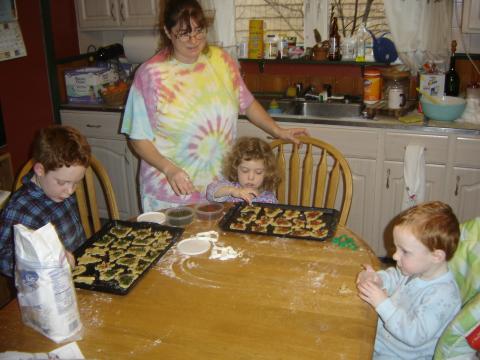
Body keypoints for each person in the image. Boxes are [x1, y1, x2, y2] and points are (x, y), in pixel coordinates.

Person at [121, 0, 307, 212]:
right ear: (167, 31)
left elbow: (246, 103)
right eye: (184, 33)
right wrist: (170, 169)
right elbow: (137, 137)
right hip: (170, 192)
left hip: (221, 190)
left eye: (199, 31)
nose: (194, 40)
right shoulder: (150, 74)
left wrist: (278, 130)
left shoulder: (221, 60)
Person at [356, 201, 462, 359]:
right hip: (380, 341)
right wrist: (378, 279)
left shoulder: (444, 295)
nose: (395, 256)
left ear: (436, 256)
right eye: (397, 248)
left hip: (400, 356)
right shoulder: (417, 268)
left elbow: (415, 334)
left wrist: (382, 303)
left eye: (404, 251)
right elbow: (396, 276)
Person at [0, 125, 91, 277]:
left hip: (76, 270)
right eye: (62, 182)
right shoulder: (20, 209)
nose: (70, 191)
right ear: (40, 170)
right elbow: (3, 259)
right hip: (46, 286)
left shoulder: (58, 191)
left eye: (76, 182)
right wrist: (45, 261)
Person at [206, 137, 279, 204]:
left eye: (258, 172)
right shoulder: (230, 187)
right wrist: (232, 191)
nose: (251, 177)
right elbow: (210, 192)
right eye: (245, 170)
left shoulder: (269, 199)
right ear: (235, 168)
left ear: (267, 173)